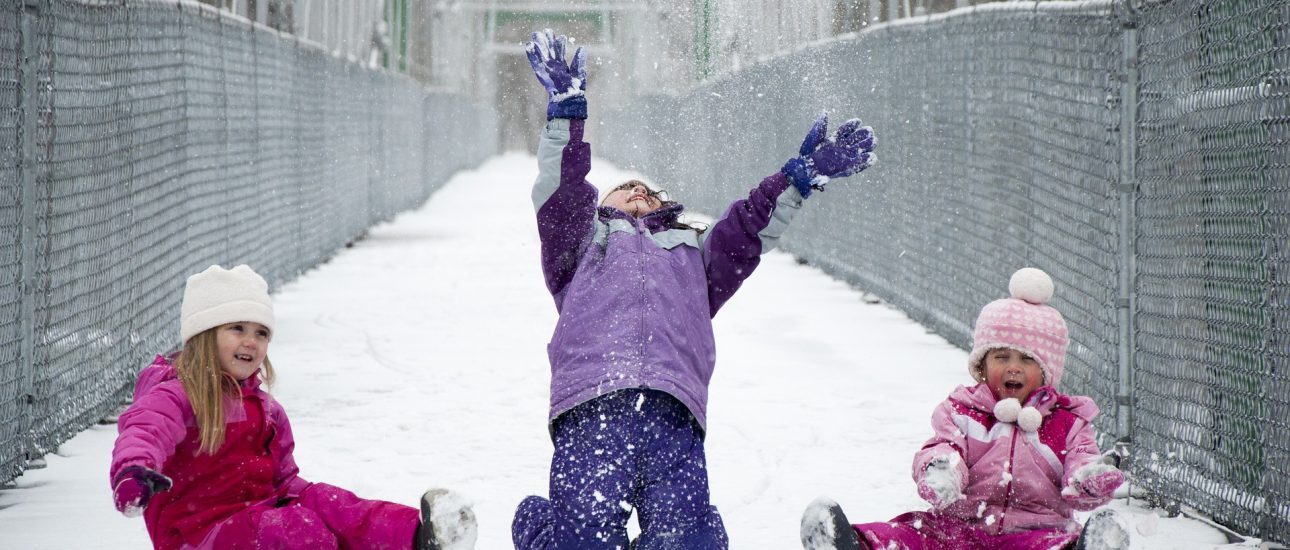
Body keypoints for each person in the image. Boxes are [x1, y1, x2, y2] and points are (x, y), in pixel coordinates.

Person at [511, 29, 877, 550]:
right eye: (626, 188)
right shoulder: (580, 246)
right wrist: (567, 118)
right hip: (592, 407)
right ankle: (542, 529)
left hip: (673, 412)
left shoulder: (693, 254)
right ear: (604, 206)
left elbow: (749, 229)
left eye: (649, 190)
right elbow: (564, 191)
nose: (639, 190)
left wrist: (796, 180)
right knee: (582, 541)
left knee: (688, 540)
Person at [109, 264, 477, 550]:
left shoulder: (266, 410)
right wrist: (133, 471)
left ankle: (417, 535)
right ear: (205, 334)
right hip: (197, 535)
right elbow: (145, 428)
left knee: (327, 504)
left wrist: (321, 505)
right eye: (237, 328)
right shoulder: (176, 394)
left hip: (257, 520)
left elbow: (283, 482)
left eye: (261, 332)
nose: (251, 342)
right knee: (294, 528)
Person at [799, 268, 1130, 550]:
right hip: (960, 526)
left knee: (1055, 543)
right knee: (915, 533)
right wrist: (941, 468)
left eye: (1027, 360)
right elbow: (944, 446)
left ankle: (1091, 545)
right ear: (982, 366)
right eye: (1002, 358)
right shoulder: (962, 410)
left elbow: (1080, 466)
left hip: (1034, 531)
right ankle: (853, 543)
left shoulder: (1068, 423)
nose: (1013, 368)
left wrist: (1091, 478)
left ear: (1047, 372)